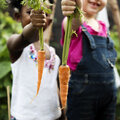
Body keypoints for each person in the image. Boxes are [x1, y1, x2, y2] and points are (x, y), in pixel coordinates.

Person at [61, 0, 117, 120]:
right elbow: (74, 23)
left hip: (108, 94)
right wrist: (76, 11)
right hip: (82, 94)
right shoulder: (72, 22)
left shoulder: (103, 26)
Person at [7, 0, 62, 120]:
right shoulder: (17, 45)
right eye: (30, 12)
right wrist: (33, 25)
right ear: (17, 16)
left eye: (45, 14)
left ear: (50, 21)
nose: (39, 16)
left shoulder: (53, 54)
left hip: (52, 117)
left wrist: (63, 112)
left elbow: (53, 87)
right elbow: (25, 37)